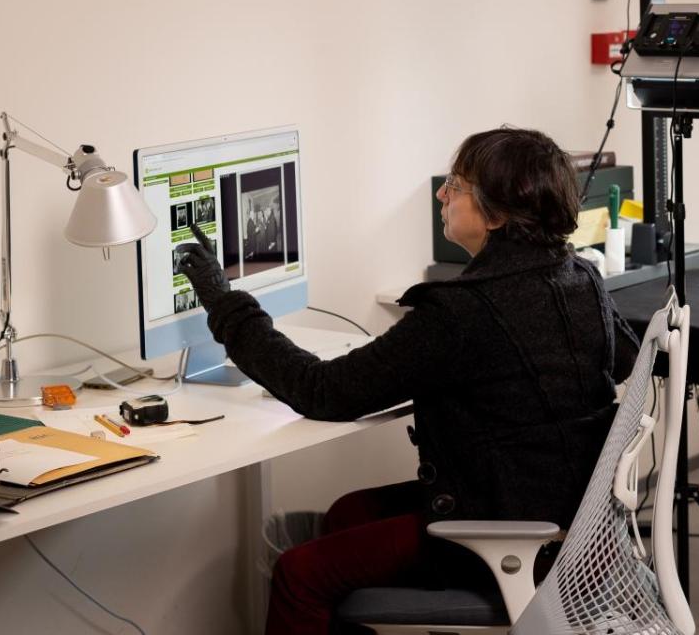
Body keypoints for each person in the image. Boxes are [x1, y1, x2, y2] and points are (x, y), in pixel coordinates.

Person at [176, 127, 639, 634]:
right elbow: (623, 359)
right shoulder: (580, 276)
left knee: (298, 576)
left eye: (456, 186)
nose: (442, 193)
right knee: (347, 513)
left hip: (512, 534)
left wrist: (225, 304)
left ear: (497, 213)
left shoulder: (462, 312)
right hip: (574, 520)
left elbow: (321, 391)